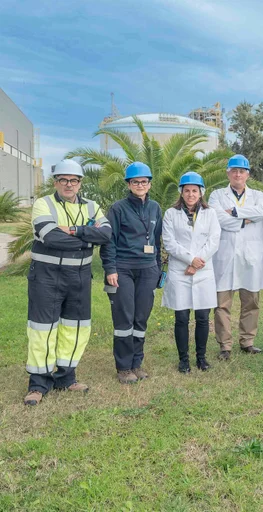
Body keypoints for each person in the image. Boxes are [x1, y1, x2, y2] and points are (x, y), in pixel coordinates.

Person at [23, 159, 112, 406]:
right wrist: (88, 238)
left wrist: (73, 231)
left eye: (74, 180)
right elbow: (50, 238)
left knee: (76, 328)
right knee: (43, 328)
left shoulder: (92, 206)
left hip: (80, 278)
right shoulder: (44, 204)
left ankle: (66, 377)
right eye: (63, 180)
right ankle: (38, 383)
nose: (69, 184)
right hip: (46, 276)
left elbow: (106, 234)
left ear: (80, 183)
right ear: (56, 182)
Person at [101, 162, 163, 384]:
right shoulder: (118, 208)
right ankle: (124, 367)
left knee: (141, 318)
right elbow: (109, 241)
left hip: (148, 269)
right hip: (123, 269)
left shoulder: (155, 207)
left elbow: (156, 240)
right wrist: (111, 269)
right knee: (124, 317)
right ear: (128, 184)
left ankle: (137, 363)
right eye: (135, 182)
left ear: (149, 184)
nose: (140, 185)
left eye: (143, 182)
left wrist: (157, 268)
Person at [209, 154, 263, 360]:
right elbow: (218, 219)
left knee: (251, 302)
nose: (237, 174)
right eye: (234, 170)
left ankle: (247, 341)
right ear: (228, 173)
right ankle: (225, 345)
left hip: (251, 256)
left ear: (248, 174)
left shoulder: (258, 195)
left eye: (241, 171)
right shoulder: (216, 195)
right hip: (225, 256)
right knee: (222, 304)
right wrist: (244, 220)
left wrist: (234, 211)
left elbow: (261, 212)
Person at [162, 172, 221, 372]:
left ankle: (201, 358)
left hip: (202, 271)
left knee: (203, 317)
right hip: (181, 271)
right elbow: (169, 242)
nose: (190, 194)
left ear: (201, 192)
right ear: (181, 192)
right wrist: (190, 259)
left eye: (194, 191)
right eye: (186, 190)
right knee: (182, 318)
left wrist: (196, 263)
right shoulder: (171, 213)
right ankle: (184, 360)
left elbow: (214, 240)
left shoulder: (210, 213)